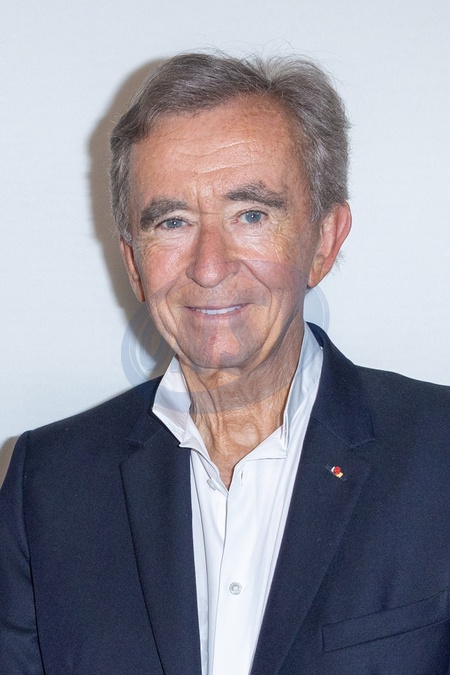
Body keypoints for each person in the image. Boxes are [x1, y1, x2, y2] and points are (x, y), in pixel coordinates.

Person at [1, 52, 449, 675]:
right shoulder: (46, 488)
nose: (209, 266)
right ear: (134, 264)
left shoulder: (438, 455)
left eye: (251, 214)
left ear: (324, 240)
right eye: (173, 221)